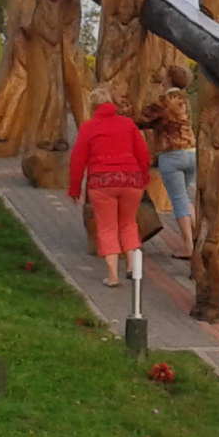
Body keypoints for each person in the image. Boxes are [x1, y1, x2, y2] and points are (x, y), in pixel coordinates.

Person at [66, 85, 154, 289]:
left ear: (93, 106)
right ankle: (132, 267)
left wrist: (75, 188)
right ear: (111, 103)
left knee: (107, 227)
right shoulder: (128, 124)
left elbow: (77, 160)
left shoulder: (88, 127)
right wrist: (143, 177)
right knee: (129, 223)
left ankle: (113, 276)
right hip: (130, 180)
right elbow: (143, 154)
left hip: (102, 182)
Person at [138, 63, 198, 263]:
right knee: (185, 197)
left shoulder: (165, 100)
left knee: (178, 200)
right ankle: (198, 239)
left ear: (170, 79)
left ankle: (188, 246)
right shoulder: (187, 100)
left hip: (172, 154)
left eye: (165, 76)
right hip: (191, 151)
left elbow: (142, 118)